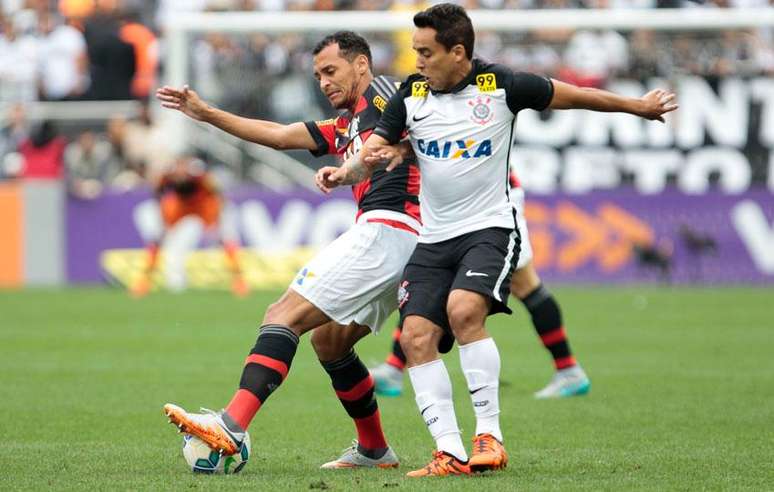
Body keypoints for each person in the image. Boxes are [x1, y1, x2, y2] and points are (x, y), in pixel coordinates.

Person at [320, 3, 676, 477]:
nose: (417, 61)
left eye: (426, 52)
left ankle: (489, 436)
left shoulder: (502, 85)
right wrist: (348, 171)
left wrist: (638, 107)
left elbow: (569, 95)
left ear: (458, 51)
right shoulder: (410, 94)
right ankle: (448, 451)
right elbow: (375, 147)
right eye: (414, 51)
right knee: (416, 336)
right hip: (433, 234)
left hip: (488, 228)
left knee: (464, 310)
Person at [156, 31, 422, 469]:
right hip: (399, 241)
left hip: (390, 226)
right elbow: (279, 135)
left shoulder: (385, 94)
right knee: (330, 342)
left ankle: (231, 425)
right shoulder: (345, 125)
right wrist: (205, 114)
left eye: (331, 71)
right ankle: (374, 449)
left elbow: (423, 127)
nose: (324, 83)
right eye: (318, 75)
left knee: (283, 315)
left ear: (361, 65)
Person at [370, 171, 591, 400]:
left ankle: (568, 369)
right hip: (453, 198)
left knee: (524, 284)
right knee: (428, 276)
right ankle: (393, 369)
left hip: (492, 201)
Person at [130, 155, 248, 297]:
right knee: (158, 238)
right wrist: (161, 218)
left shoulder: (199, 175)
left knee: (226, 237)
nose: (180, 174)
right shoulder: (166, 176)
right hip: (181, 206)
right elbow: (157, 192)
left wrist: (219, 221)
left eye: (183, 169)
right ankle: (144, 281)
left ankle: (239, 280)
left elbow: (217, 193)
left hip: (205, 205)